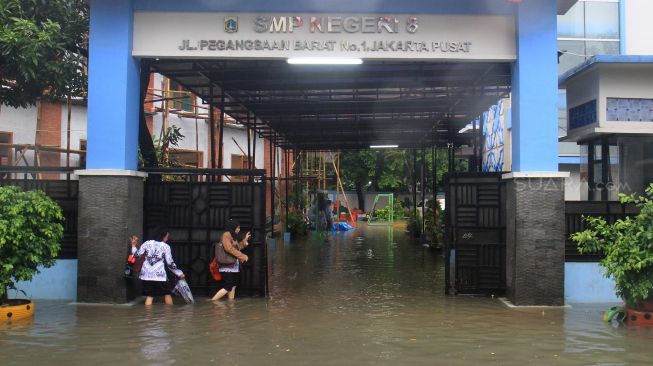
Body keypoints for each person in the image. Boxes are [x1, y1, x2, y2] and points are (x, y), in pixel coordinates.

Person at [130, 227, 185, 306]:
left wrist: (133, 246)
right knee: (167, 293)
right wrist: (179, 273)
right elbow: (170, 263)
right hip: (159, 275)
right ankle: (170, 315)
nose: (167, 238)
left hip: (147, 274)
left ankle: (147, 316)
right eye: (167, 236)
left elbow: (136, 255)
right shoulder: (166, 247)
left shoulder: (147, 243)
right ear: (163, 236)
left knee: (150, 295)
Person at [211, 219, 250, 301]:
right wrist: (242, 256)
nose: (239, 229)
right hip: (227, 266)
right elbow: (229, 248)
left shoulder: (233, 236)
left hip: (233, 266)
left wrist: (244, 240)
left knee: (233, 285)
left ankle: (230, 304)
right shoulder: (226, 234)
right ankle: (213, 301)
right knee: (228, 286)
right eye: (237, 227)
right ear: (233, 227)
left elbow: (236, 248)